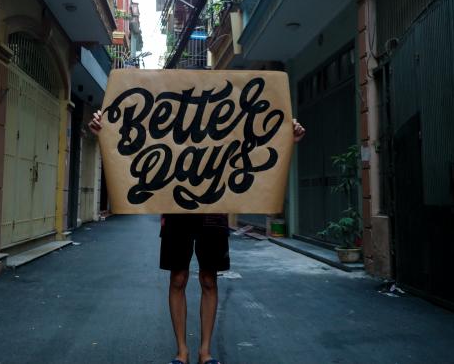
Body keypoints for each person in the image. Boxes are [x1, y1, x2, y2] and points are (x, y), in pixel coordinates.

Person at [88, 109, 305, 364]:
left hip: (212, 207)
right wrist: (106, 132)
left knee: (209, 279)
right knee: (178, 278)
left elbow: (250, 144)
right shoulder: (170, 123)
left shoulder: (221, 123)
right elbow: (140, 143)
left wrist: (285, 137)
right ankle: (182, 351)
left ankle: (205, 352)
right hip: (176, 205)